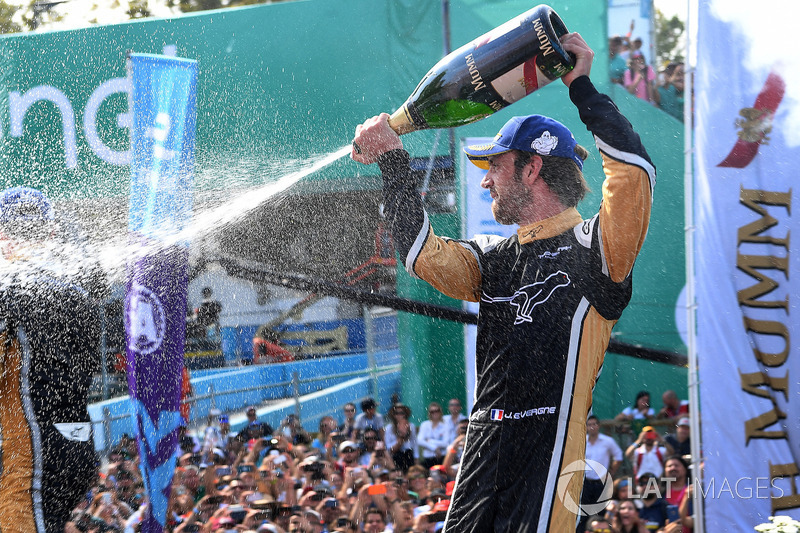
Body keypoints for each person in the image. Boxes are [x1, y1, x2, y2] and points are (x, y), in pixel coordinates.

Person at [351, 32, 654, 532]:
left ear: (532, 168)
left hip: (550, 460)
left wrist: (583, 89)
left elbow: (634, 174)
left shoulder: (597, 248)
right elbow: (420, 253)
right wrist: (392, 158)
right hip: (480, 457)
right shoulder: (493, 258)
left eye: (496, 165)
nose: (487, 180)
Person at [0, 187, 104, 532]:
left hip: (34, 450)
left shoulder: (9, 288)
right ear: (51, 232)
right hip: (78, 442)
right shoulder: (76, 289)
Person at [580, 414, 623, 532]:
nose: (592, 427)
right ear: (586, 427)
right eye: (589, 425)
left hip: (601, 482)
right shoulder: (582, 442)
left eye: (594, 424)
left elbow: (618, 456)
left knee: (601, 511)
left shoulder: (607, 441)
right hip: (585, 482)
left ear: (598, 426)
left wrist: (612, 472)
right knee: (583, 512)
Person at [384, 403, 417, 473]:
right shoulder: (389, 428)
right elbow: (388, 447)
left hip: (409, 455)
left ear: (405, 414)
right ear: (393, 415)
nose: (399, 415)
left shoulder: (411, 426)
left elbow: (414, 444)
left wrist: (417, 459)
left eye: (402, 413)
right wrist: (401, 437)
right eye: (396, 413)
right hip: (395, 456)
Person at [417, 401, 449, 469]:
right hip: (428, 457)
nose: (435, 413)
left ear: (440, 412)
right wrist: (434, 448)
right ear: (429, 413)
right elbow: (419, 440)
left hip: (442, 456)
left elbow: (446, 443)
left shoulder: (445, 425)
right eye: (432, 411)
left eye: (437, 411)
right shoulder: (425, 424)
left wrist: (430, 441)